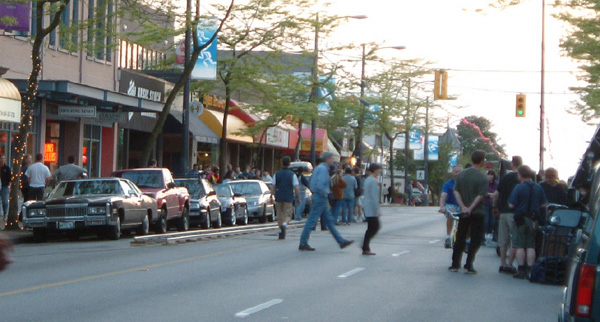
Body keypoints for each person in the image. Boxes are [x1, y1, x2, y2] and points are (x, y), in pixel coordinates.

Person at [298, 152, 354, 251]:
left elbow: (313, 182)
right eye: (332, 158)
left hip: (319, 196)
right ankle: (303, 242)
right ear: (327, 159)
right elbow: (321, 184)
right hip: (320, 197)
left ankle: (341, 241)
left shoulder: (320, 168)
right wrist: (325, 193)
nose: (333, 160)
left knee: (329, 221)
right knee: (312, 220)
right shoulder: (323, 169)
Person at [449, 150, 488, 274]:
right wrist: (471, 208)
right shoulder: (483, 177)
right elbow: (481, 196)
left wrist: (463, 207)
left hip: (463, 212)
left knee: (460, 236)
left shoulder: (462, 175)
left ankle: (455, 263)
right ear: (481, 161)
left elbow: (456, 191)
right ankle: (469, 263)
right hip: (477, 212)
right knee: (475, 239)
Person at [508, 165, 548, 279]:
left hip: (521, 218)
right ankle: (531, 270)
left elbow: (511, 204)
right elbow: (544, 203)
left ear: (520, 175)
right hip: (533, 219)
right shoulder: (538, 187)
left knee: (520, 245)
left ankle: (521, 270)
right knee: (531, 245)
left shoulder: (518, 187)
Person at [494, 156, 523, 274]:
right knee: (515, 240)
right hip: (516, 213)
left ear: (512, 163)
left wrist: (494, 206)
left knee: (503, 239)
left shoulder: (506, 177)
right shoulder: (522, 178)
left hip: (504, 212)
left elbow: (496, 194)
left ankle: (503, 263)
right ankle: (511, 264)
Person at [271, 156, 301, 240]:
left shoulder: (277, 174)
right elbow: (296, 187)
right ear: (289, 164)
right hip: (288, 197)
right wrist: (298, 198)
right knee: (288, 214)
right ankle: (284, 224)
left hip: (278, 196)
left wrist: (271, 195)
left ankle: (281, 230)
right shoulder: (292, 175)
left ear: (282, 163)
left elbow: (273, 186)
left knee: (279, 215)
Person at [438, 165, 463, 249]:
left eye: (460, 171)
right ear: (452, 173)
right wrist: (442, 207)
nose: (458, 173)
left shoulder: (466, 183)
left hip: (464, 205)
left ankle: (467, 240)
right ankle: (448, 237)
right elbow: (444, 195)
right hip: (452, 205)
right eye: (456, 172)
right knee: (451, 213)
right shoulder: (448, 184)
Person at [362, 163, 383, 255]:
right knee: (374, 227)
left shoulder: (368, 180)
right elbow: (374, 196)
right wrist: (377, 209)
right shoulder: (373, 181)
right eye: (379, 169)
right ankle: (365, 245)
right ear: (375, 170)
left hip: (367, 205)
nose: (380, 171)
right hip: (371, 207)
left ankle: (365, 246)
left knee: (371, 227)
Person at [484, 170, 498, 243]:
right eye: (489, 175)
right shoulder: (485, 184)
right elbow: (483, 192)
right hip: (486, 202)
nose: (490, 176)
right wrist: (491, 194)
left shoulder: (496, 184)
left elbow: (497, 192)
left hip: (493, 203)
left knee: (492, 220)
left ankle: (490, 233)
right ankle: (485, 233)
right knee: (486, 220)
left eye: (492, 175)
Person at [0, 155, 10, 221]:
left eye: (4, 158)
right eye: (1, 158)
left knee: (5, 201)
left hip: (4, 185)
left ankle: (5, 213)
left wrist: (9, 186)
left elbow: (9, 177)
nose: (3, 160)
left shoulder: (7, 168)